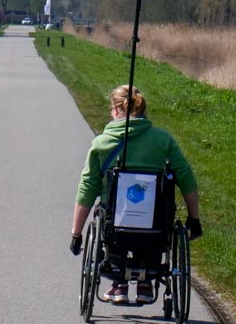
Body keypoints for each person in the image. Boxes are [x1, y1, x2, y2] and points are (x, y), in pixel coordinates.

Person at [69, 85, 201, 305]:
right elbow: (186, 177)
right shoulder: (163, 140)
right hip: (155, 224)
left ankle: (119, 282)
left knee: (109, 215)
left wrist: (76, 232)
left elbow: (88, 187)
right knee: (155, 218)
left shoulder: (102, 143)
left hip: (115, 224)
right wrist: (194, 218)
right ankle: (145, 283)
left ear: (115, 110)